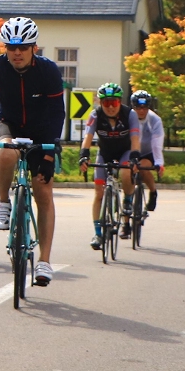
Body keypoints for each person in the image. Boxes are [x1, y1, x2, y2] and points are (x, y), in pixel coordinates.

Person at [0, 18, 65, 287]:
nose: (16, 53)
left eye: (23, 47)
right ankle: (3, 202)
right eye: (11, 47)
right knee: (6, 154)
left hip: (42, 131)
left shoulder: (48, 70)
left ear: (33, 48)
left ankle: (44, 261)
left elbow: (57, 113)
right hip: (10, 123)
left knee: (44, 192)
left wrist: (49, 155)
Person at [78, 83, 140, 248]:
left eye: (114, 103)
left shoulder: (130, 115)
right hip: (104, 153)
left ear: (120, 102)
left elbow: (135, 139)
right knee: (98, 192)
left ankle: (127, 199)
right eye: (106, 103)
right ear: (100, 103)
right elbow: (88, 137)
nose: (111, 107)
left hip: (125, 152)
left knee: (126, 172)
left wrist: (135, 157)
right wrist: (84, 155)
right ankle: (98, 234)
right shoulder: (95, 115)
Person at [123, 90, 165, 220]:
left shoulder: (154, 120)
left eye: (145, 107)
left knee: (143, 168)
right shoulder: (127, 117)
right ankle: (125, 222)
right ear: (133, 106)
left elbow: (157, 142)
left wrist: (159, 162)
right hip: (130, 151)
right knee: (127, 176)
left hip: (148, 152)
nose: (141, 110)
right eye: (138, 107)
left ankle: (153, 192)